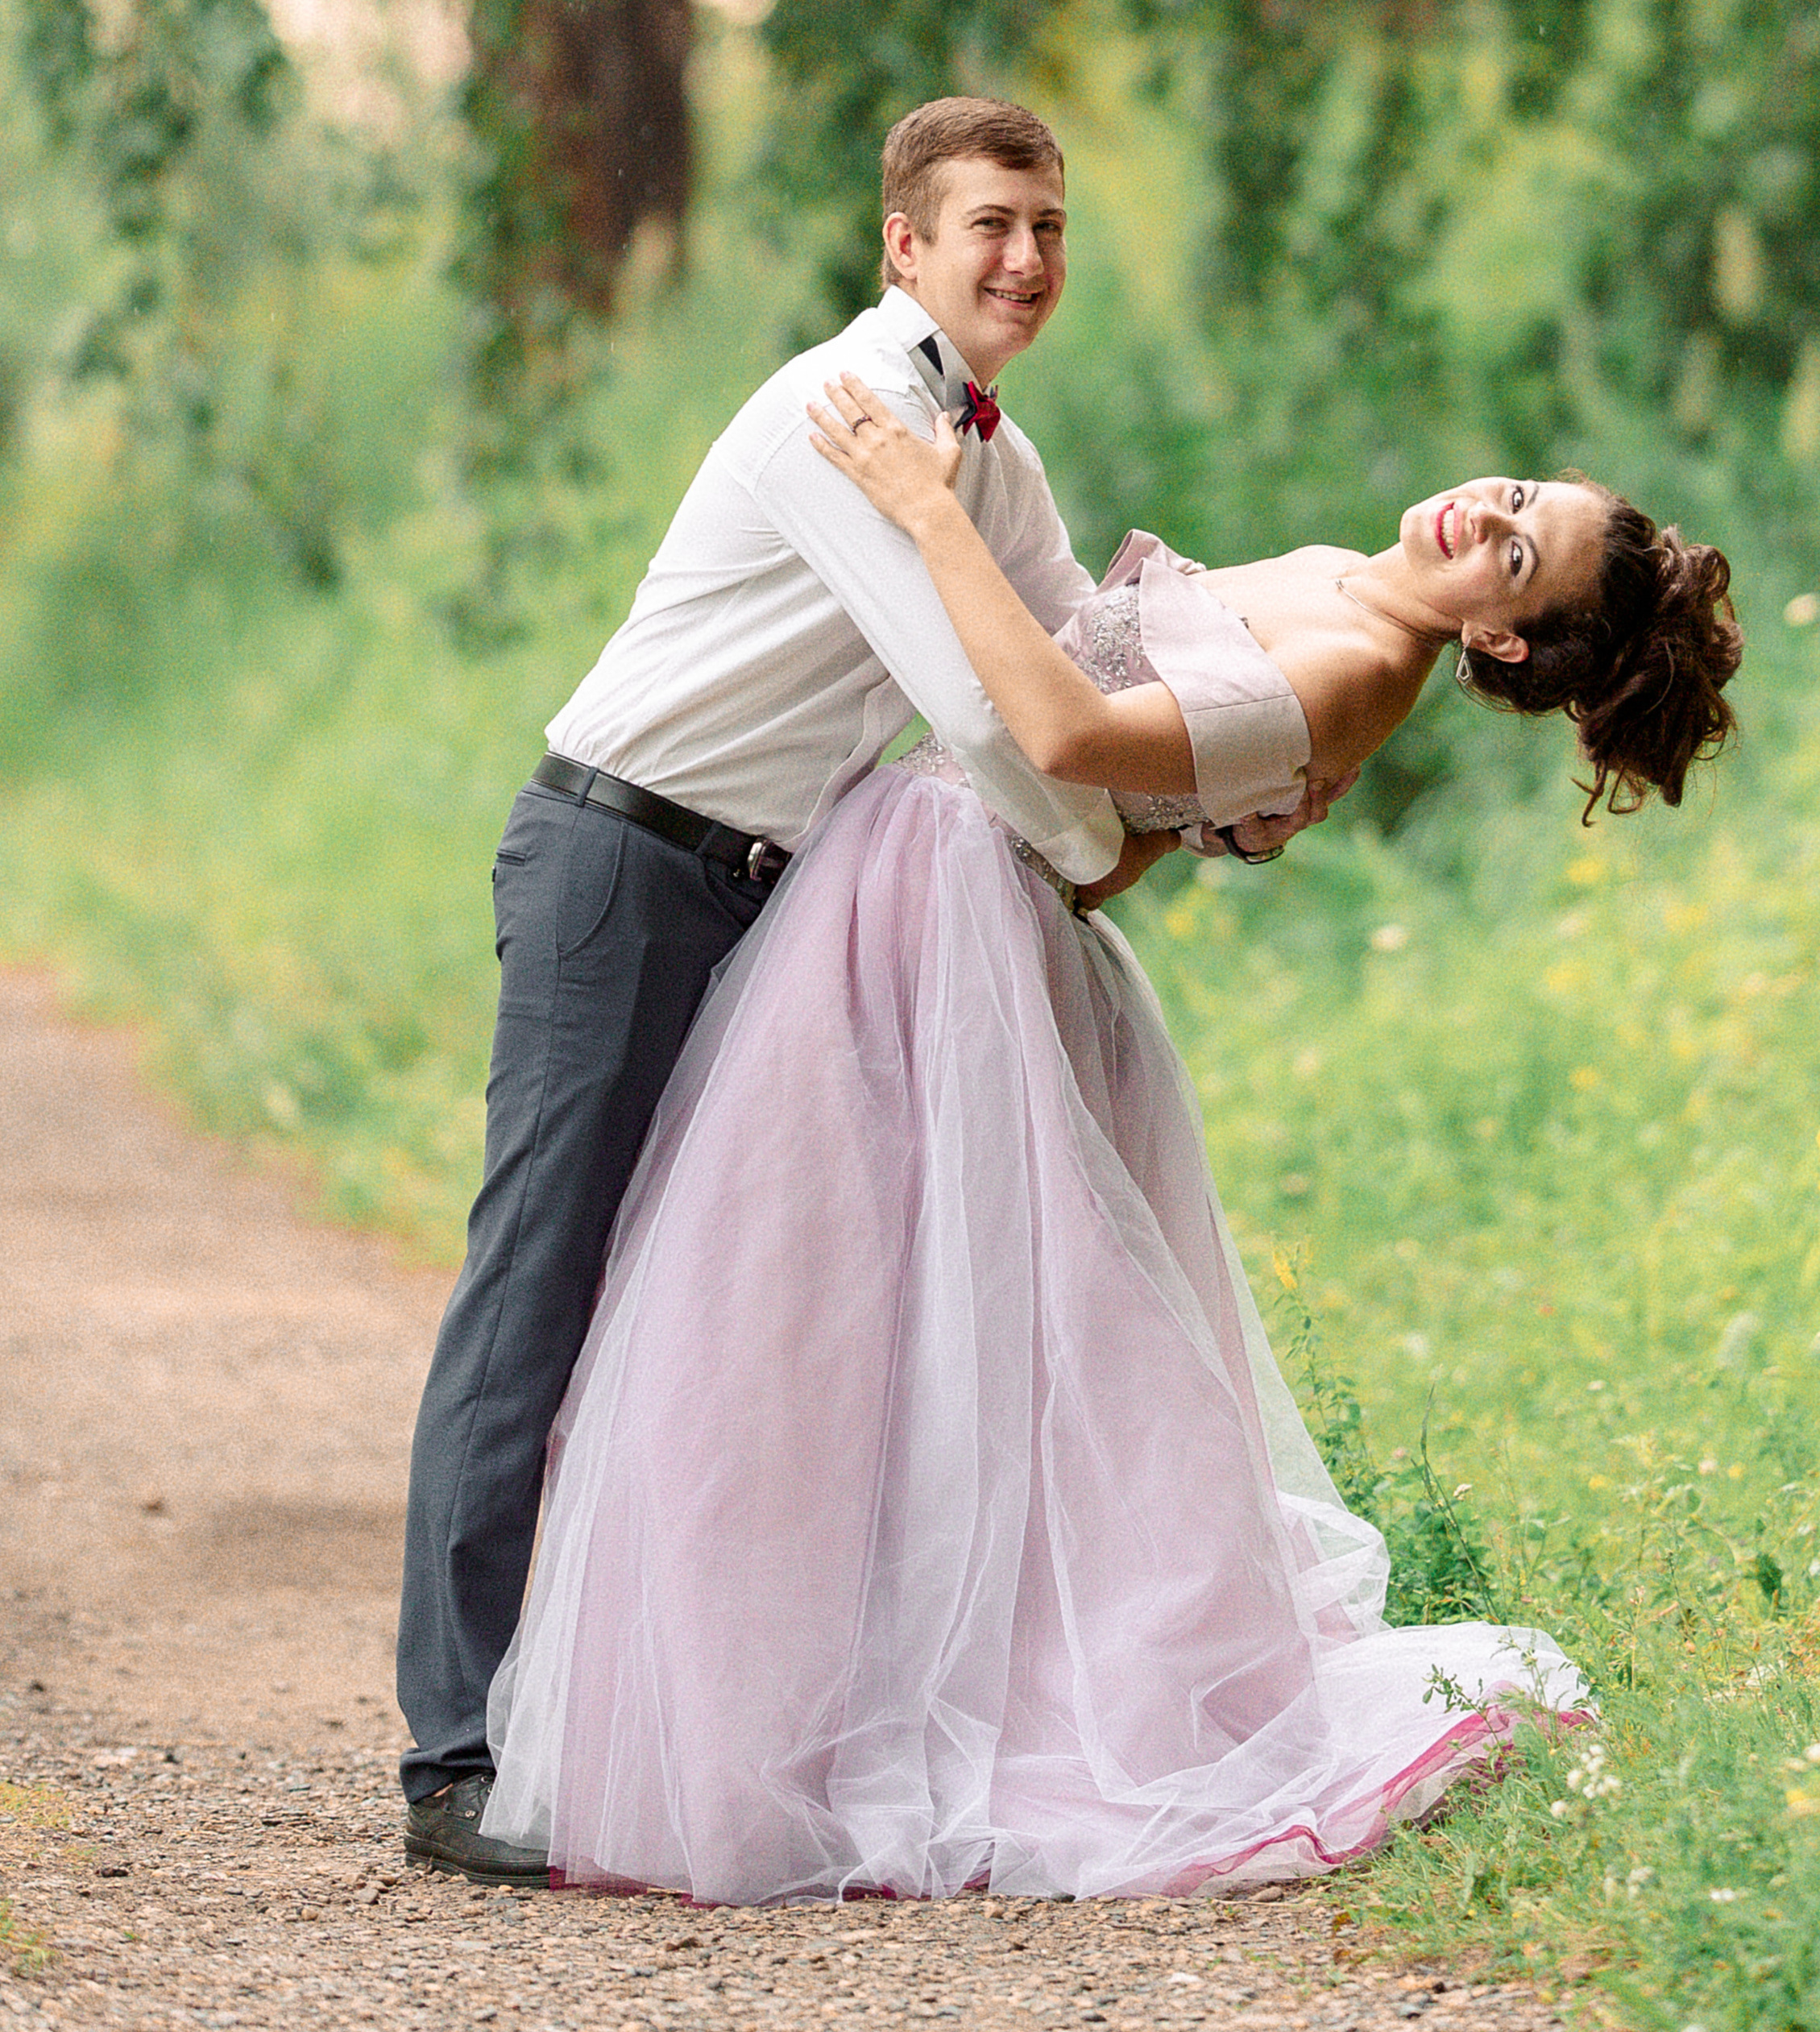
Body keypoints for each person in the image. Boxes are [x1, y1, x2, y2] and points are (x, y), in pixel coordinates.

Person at [478, 384, 1742, 1899]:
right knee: (846, 1329)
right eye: (1525, 493)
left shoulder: (1357, 664)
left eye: (1518, 558)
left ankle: (832, 1732)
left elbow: (1072, 733)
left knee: (817, 1314)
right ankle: (786, 1695)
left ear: (1505, 641)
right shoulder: (1349, 574)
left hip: (956, 908)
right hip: (937, 883)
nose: (1491, 514)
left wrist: (926, 510)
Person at [397, 96, 1337, 1884]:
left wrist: (1273, 724)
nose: (1024, 259)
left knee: (711, 1301)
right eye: (987, 223)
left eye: (1049, 226)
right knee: (542, 1280)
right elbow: (989, 714)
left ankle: (611, 1722)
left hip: (765, 882)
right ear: (900, 243)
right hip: (622, 858)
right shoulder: (855, 418)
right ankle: (453, 1750)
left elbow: (1086, 640)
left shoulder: (994, 452)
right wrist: (1101, 842)